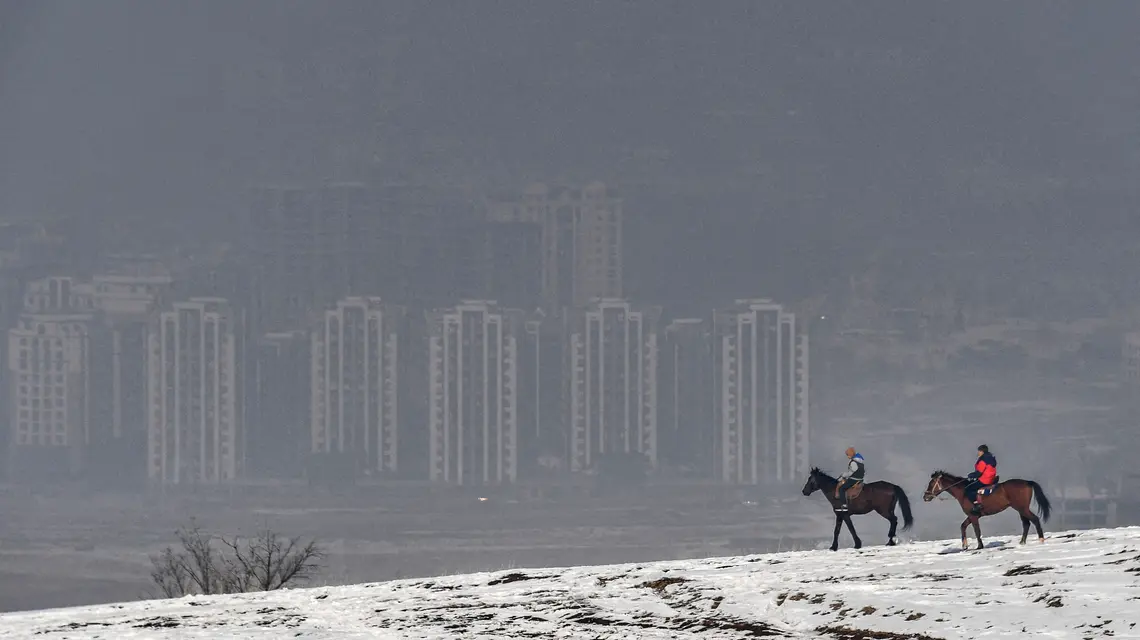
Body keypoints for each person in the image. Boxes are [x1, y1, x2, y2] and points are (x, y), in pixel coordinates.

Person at [965, 444, 998, 513]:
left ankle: (977, 505)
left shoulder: (983, 460)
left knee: (968, 489)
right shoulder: (990, 458)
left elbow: (979, 473)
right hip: (991, 478)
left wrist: (971, 475)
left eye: (979, 451)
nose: (978, 453)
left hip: (984, 480)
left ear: (982, 452)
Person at [835, 446, 865, 511]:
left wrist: (843, 475)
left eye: (848, 455)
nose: (847, 456)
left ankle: (844, 505)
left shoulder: (854, 462)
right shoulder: (860, 461)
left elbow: (850, 473)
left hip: (854, 479)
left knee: (841, 488)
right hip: (859, 479)